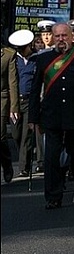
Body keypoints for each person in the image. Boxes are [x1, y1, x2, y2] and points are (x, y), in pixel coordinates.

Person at [29, 23, 74, 209]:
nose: (61, 39)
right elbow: (35, 89)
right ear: (53, 38)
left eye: (64, 36)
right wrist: (33, 118)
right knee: (51, 158)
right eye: (58, 36)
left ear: (72, 37)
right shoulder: (43, 58)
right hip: (51, 115)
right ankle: (53, 196)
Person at [9, 29, 36, 178]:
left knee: (26, 135)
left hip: (30, 100)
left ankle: (23, 167)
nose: (20, 50)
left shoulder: (36, 59)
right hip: (15, 102)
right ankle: (24, 155)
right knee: (16, 134)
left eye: (23, 48)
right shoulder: (14, 59)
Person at [1, 36, 20, 183]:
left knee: (0, 136)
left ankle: (6, 162)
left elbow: (12, 82)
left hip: (1, 100)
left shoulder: (8, 54)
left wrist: (14, 106)